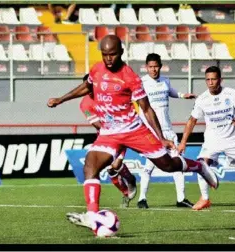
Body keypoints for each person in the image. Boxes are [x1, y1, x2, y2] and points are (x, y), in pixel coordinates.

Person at [47, 35, 218, 232]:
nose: (108, 58)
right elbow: (87, 86)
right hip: (110, 132)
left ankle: (198, 167)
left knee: (168, 165)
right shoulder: (96, 68)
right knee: (90, 166)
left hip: (134, 130)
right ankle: (93, 216)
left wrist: (161, 137)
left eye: (112, 54)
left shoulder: (130, 77)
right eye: (104, 55)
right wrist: (61, 99)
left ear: (120, 52)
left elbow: (146, 109)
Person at [136, 53, 196, 209]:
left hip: (168, 131)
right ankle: (142, 198)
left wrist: (183, 95)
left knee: (178, 163)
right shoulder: (141, 83)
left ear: (160, 66)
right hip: (152, 134)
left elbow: (171, 91)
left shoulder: (165, 81)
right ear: (146, 67)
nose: (153, 69)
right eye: (150, 67)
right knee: (149, 166)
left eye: (156, 66)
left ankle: (181, 198)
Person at [178, 66, 235, 210]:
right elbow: (192, 121)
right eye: (208, 79)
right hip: (212, 141)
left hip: (231, 139)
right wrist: (183, 143)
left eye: (214, 79)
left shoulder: (231, 94)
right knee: (201, 164)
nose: (210, 82)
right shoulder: (202, 99)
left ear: (220, 80)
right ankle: (205, 198)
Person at [79, 74, 136, 208]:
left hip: (121, 133)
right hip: (105, 136)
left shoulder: (108, 96)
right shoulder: (84, 104)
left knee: (115, 166)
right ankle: (125, 192)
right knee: (110, 170)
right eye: (86, 87)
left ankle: (131, 179)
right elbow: (96, 124)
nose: (89, 90)